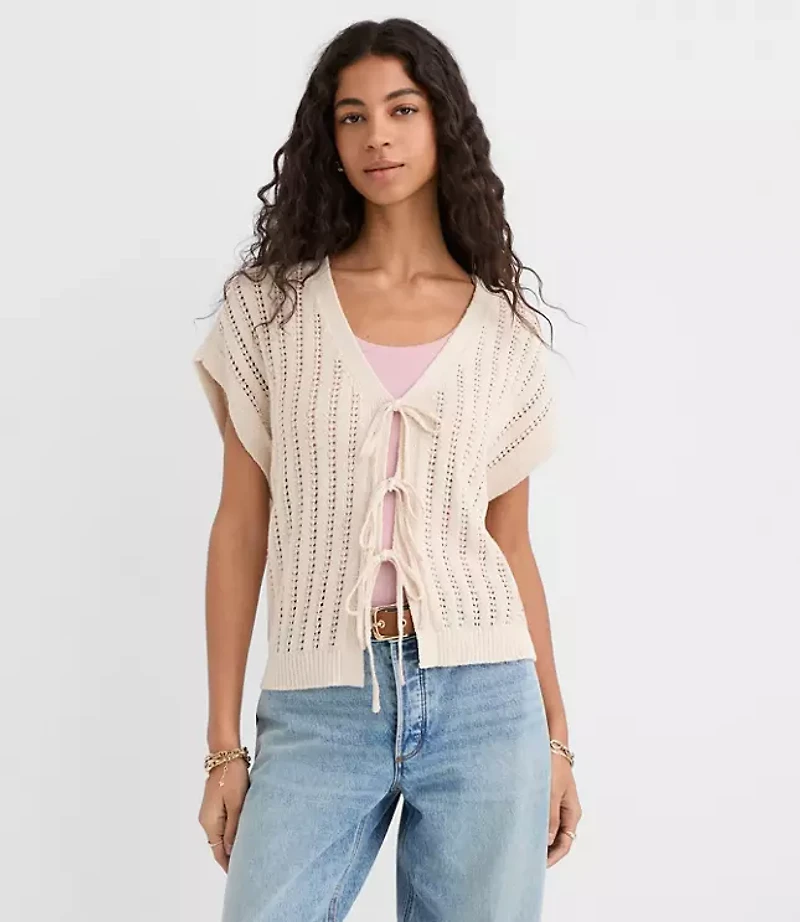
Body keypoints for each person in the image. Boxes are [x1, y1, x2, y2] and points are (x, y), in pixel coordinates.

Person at [192, 16, 581, 922]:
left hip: (488, 702)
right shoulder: (270, 313)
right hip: (319, 704)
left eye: (403, 110)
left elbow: (511, 548)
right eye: (353, 116)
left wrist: (557, 737)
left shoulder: (503, 332)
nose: (378, 136)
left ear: (442, 124)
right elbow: (240, 527)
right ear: (328, 140)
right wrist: (223, 746)